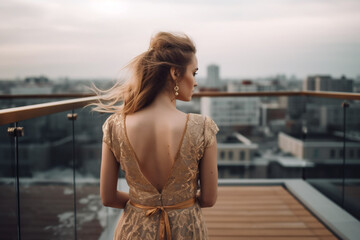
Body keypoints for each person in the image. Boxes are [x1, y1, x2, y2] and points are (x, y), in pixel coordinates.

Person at [95, 32, 219, 240]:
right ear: (175, 73)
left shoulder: (114, 126)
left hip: (134, 229)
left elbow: (108, 198)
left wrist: (145, 203)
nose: (196, 82)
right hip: (186, 229)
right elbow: (208, 199)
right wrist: (176, 205)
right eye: (194, 73)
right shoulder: (202, 127)